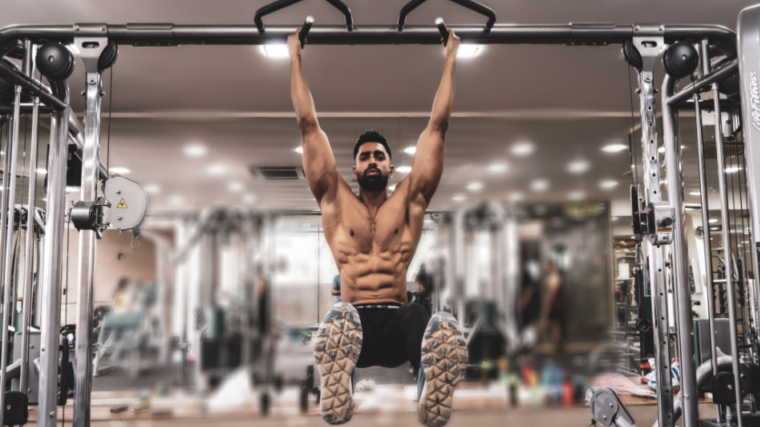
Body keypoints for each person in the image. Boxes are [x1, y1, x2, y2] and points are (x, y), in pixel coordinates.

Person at [287, 28, 467, 427]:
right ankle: (339, 391)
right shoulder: (334, 199)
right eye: (365, 156)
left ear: (390, 167)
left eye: (379, 156)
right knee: (340, 317)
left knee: (423, 317)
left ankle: (430, 395)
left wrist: (451, 57)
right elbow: (307, 123)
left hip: (399, 326)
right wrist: (294, 56)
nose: (372, 160)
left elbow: (437, 126)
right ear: (353, 168)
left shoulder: (409, 201)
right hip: (353, 331)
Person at [539, 259, 566, 355]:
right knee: (552, 325)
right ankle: (557, 344)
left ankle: (557, 345)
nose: (545, 268)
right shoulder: (552, 276)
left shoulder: (554, 277)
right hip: (554, 305)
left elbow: (552, 293)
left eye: (547, 266)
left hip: (555, 305)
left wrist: (547, 306)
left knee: (554, 325)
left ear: (551, 266)